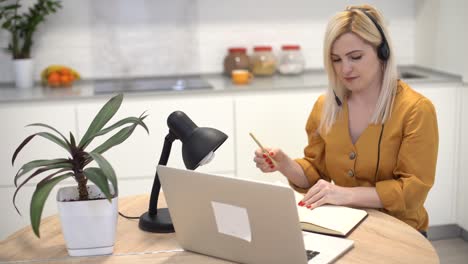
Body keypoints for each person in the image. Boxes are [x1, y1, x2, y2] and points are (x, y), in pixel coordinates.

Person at [253, 4, 438, 237]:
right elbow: (316, 173)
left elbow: (412, 191)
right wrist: (284, 164)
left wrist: (345, 194)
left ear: (383, 53)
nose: (345, 69)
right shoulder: (326, 106)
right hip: (343, 226)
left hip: (401, 233)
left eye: (355, 57)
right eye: (336, 60)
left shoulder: (415, 110)